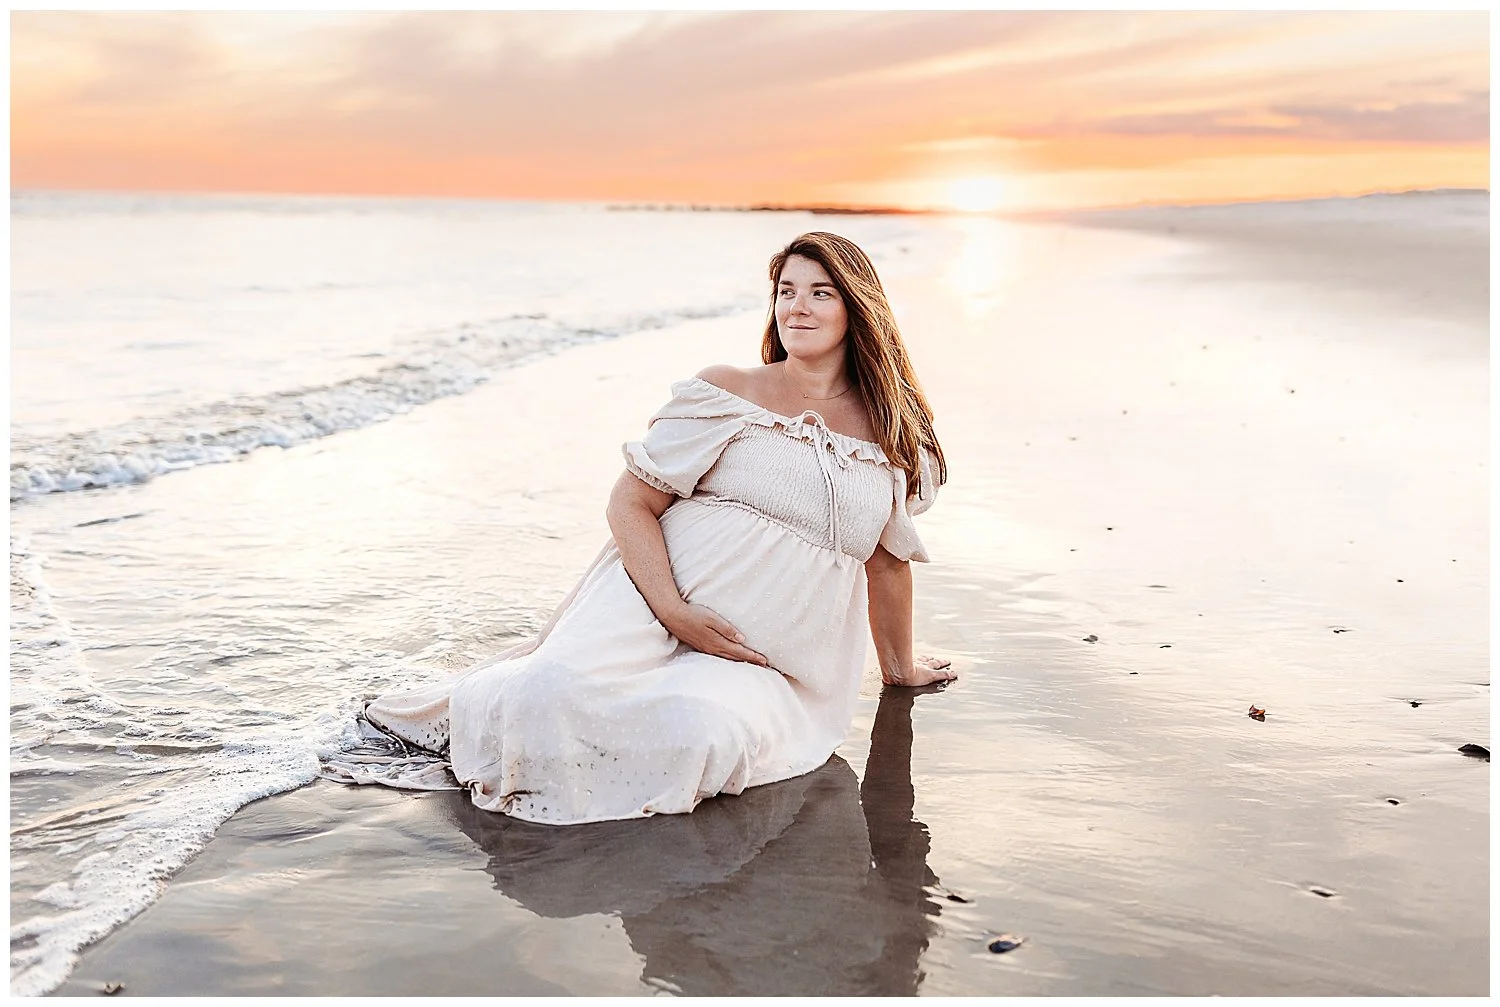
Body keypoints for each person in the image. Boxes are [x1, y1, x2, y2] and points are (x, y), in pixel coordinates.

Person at [323, 231, 954, 825]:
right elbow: (630, 504)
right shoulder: (727, 392)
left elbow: (886, 558)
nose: (798, 307)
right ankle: (465, 707)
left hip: (767, 655)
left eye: (820, 292)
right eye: (786, 291)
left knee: (699, 732)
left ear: (858, 308)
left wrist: (899, 667)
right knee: (544, 696)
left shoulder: (892, 431)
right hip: (649, 602)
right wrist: (676, 613)